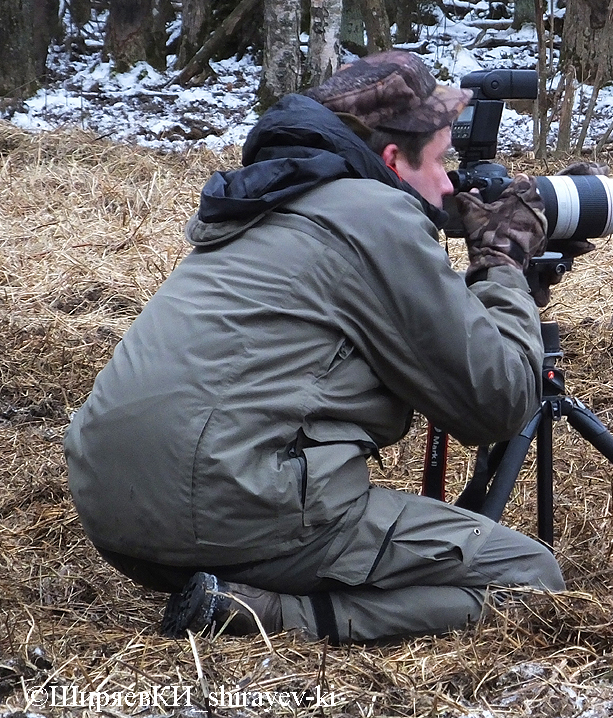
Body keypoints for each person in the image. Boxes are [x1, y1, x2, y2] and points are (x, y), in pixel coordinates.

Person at [63, 51, 566, 644]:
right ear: (390, 160)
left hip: (114, 511)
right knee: (529, 575)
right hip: (230, 507)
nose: (451, 185)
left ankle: (234, 586)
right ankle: (267, 614)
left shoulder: (268, 200)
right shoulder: (372, 214)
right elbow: (499, 402)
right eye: (440, 163)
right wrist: (502, 264)